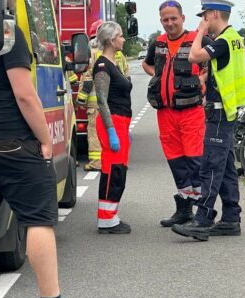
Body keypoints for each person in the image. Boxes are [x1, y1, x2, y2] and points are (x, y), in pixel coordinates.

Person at [0, 22, 93, 298]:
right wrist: (44, 140)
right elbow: (24, 94)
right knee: (39, 219)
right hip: (13, 142)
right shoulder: (6, 33)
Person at [172, 0, 245, 241]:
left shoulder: (225, 40)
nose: (203, 19)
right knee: (227, 167)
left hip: (220, 113)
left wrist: (199, 32)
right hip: (227, 111)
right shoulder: (235, 37)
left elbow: (194, 57)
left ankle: (203, 219)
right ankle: (230, 218)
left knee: (210, 167)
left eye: (205, 15)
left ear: (214, 14)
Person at [142, 0, 211, 228]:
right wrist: (160, 78)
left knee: (194, 159)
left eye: (173, 18)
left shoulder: (197, 40)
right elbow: (147, 64)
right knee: (176, 161)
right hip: (165, 113)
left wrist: (202, 79)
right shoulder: (158, 43)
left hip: (191, 111)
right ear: (161, 20)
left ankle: (203, 210)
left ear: (182, 18)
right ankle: (184, 208)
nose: (169, 23)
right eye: (165, 19)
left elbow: (216, 64)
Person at [93, 21, 133, 234]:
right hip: (113, 122)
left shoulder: (113, 62)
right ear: (111, 40)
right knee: (113, 171)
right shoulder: (102, 66)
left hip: (120, 122)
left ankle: (110, 215)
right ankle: (106, 220)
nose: (123, 39)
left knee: (119, 171)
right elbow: (101, 100)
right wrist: (111, 130)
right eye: (120, 35)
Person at [77, 19, 130, 171]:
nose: (123, 39)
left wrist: (81, 98)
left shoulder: (93, 54)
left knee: (94, 133)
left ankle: (95, 162)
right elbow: (126, 76)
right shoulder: (120, 56)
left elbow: (87, 79)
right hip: (116, 104)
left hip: (97, 102)